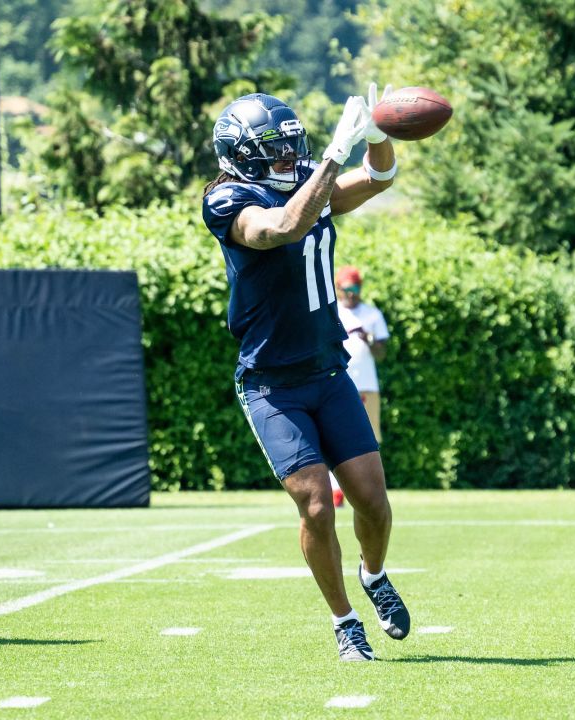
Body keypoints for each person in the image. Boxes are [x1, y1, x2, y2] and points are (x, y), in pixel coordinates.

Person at [202, 86, 411, 661]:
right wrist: (332, 156)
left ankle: (374, 575)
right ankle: (345, 622)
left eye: (290, 145)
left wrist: (377, 136)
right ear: (238, 153)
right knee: (317, 503)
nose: (284, 157)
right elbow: (282, 229)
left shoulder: (303, 183)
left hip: (328, 369)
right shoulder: (226, 201)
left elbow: (379, 178)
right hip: (271, 382)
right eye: (271, 148)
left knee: (373, 499)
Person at [330, 265, 391, 508]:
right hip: (335, 383)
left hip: (366, 385)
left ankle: (367, 491)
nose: (351, 294)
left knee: (368, 440)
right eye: (347, 289)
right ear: (338, 288)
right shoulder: (331, 312)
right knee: (333, 437)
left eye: (355, 289)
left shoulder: (372, 314)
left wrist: (368, 338)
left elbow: (382, 354)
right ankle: (336, 490)